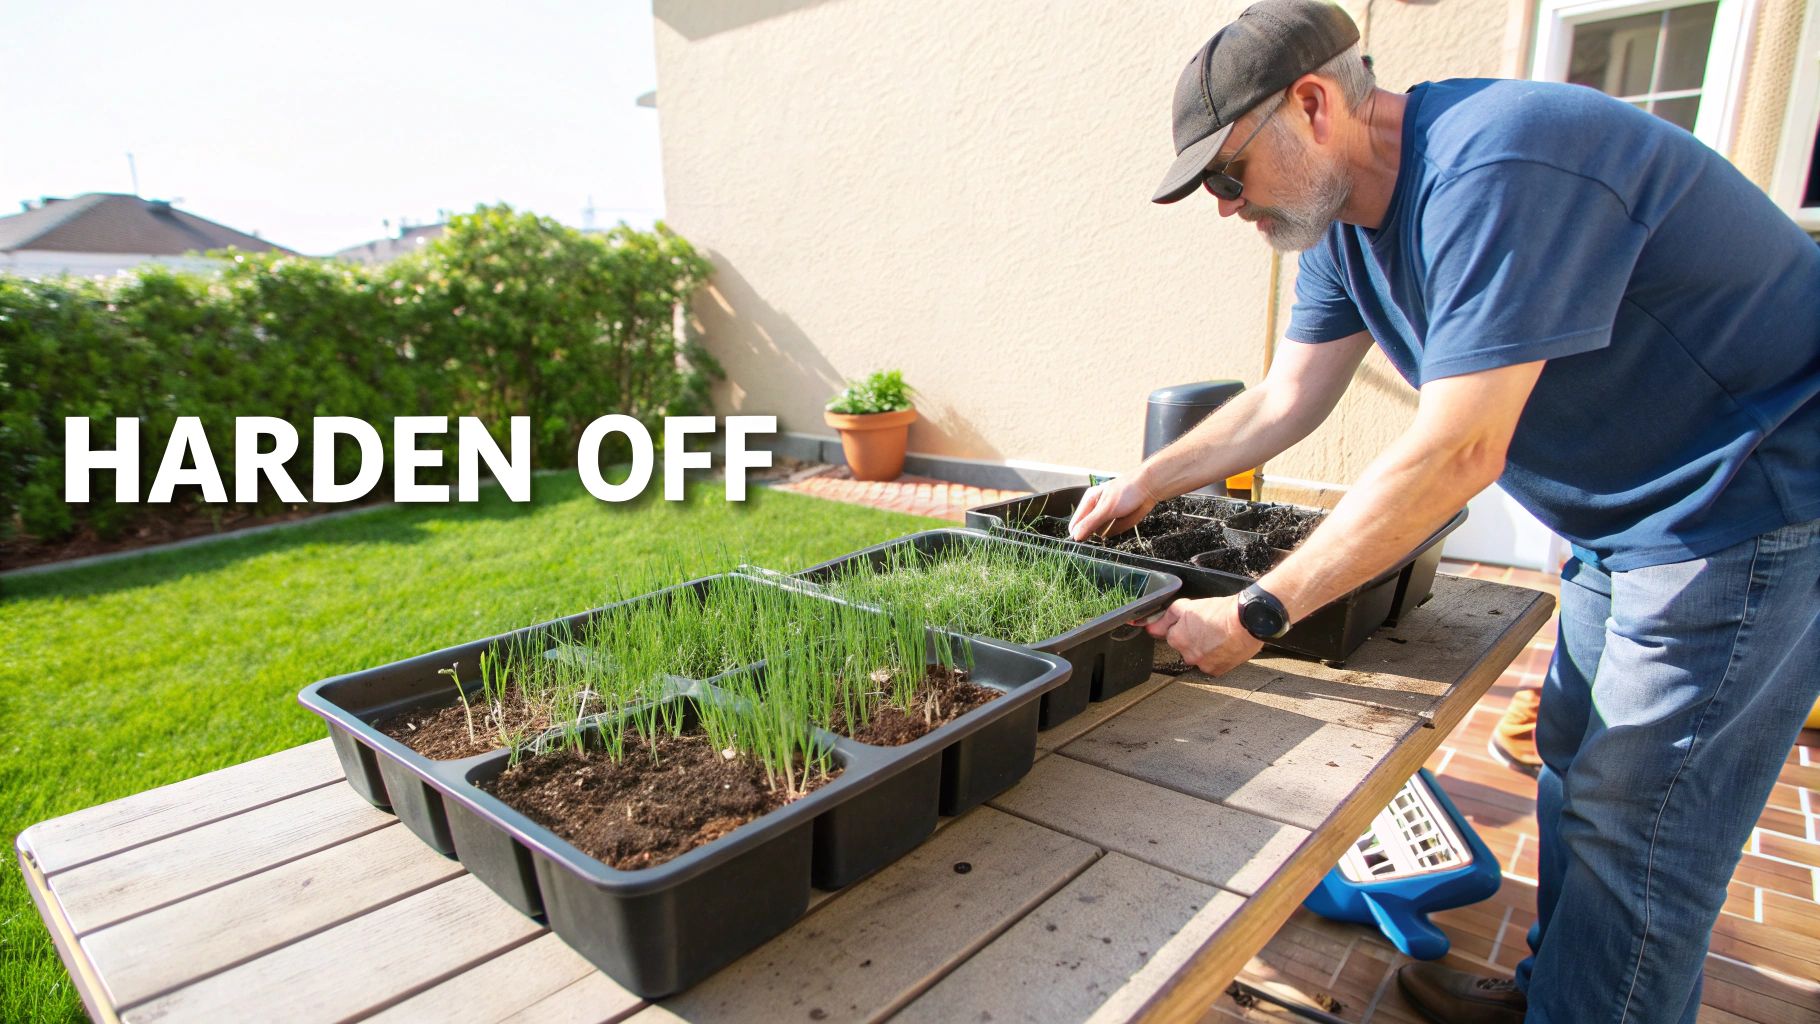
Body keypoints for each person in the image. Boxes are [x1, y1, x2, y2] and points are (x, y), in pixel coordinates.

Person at [1067, 2, 1820, 1021]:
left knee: (1644, 825)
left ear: (1312, 104)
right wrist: (1146, 482)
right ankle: (1559, 993)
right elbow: (1284, 399)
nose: (1221, 204)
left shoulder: (1498, 167)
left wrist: (1253, 611)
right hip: (1628, 515)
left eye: (1226, 173)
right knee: (1576, 770)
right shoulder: (1341, 224)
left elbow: (1459, 448)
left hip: (1748, 498)